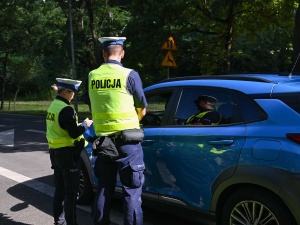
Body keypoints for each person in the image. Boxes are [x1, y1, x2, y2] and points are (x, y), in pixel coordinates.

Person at [85, 36, 148, 225]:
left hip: (104, 142)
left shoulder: (92, 76)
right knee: (131, 190)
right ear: (122, 53)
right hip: (128, 142)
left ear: (103, 54)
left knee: (104, 187)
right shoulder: (130, 75)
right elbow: (142, 108)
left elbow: (93, 105)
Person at [46, 78, 93, 225]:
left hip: (55, 153)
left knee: (59, 191)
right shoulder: (66, 109)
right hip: (68, 155)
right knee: (71, 193)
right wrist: (85, 125)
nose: (74, 96)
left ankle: (59, 222)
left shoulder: (54, 106)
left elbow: (61, 128)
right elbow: (73, 133)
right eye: (73, 93)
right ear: (66, 92)